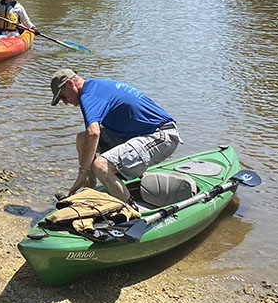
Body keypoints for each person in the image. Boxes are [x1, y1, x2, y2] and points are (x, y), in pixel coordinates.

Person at [49, 68, 181, 203]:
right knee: (82, 139)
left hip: (162, 136)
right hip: (138, 135)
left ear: (71, 83)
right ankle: (89, 185)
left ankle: (130, 209)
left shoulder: (88, 96)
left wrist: (82, 172)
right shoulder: (94, 86)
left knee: (101, 166)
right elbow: (89, 138)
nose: (65, 102)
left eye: (63, 97)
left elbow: (94, 132)